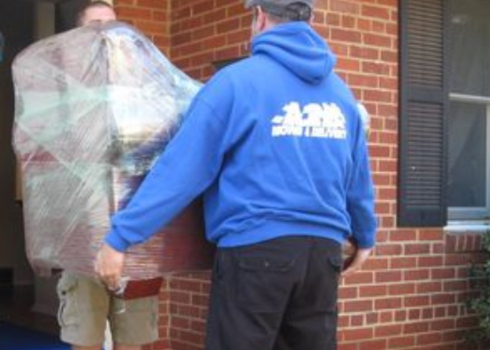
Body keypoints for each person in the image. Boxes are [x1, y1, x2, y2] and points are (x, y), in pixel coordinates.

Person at [95, 0, 377, 349]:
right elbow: (358, 178)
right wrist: (364, 236)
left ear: (259, 15)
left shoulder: (235, 83)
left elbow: (181, 171)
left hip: (256, 252)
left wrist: (121, 236)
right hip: (322, 256)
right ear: (309, 17)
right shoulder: (340, 95)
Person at [55, 2, 160, 350]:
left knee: (132, 341)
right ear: (80, 34)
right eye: (97, 24)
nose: (106, 33)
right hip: (83, 239)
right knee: (84, 340)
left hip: (133, 239)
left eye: (112, 26)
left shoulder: (142, 91)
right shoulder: (63, 91)